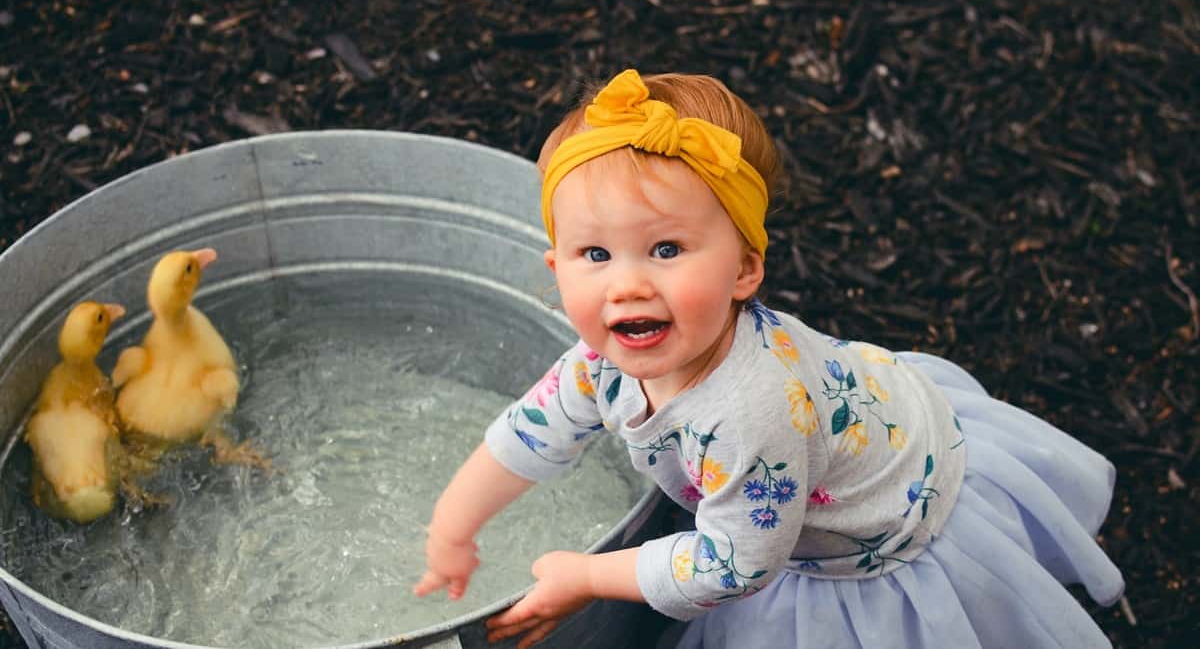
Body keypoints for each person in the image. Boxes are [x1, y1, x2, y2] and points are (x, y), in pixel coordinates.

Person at [413, 68, 1124, 649]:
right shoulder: (602, 361)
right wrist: (453, 523)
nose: (627, 282)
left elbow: (735, 565)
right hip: (846, 427)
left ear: (745, 268)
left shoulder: (748, 411)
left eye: (667, 249)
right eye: (595, 254)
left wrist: (589, 575)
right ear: (555, 265)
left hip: (875, 527)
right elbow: (530, 432)